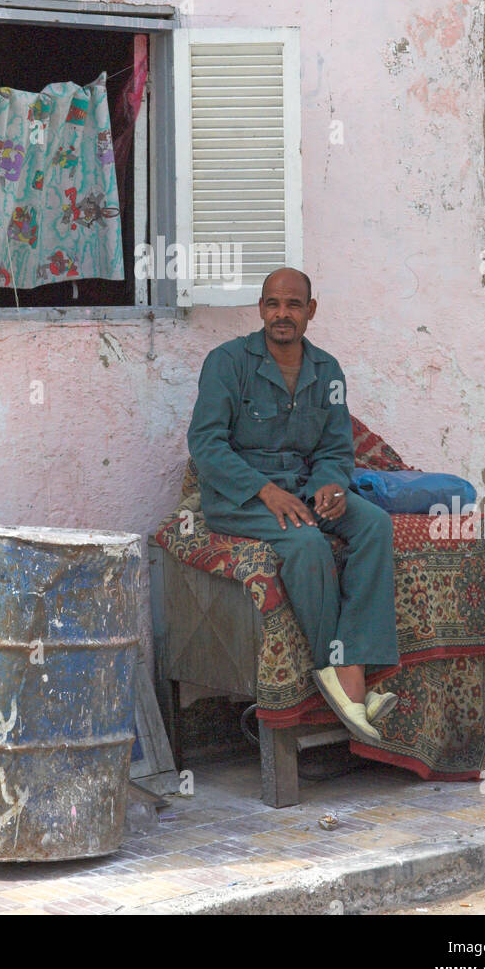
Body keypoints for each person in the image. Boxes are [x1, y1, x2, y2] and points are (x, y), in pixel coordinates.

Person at [186, 267, 399, 743]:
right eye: (273, 304)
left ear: (311, 311)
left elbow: (335, 450)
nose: (282, 314)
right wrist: (264, 490)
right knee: (307, 544)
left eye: (294, 305)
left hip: (303, 487)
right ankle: (344, 677)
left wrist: (328, 485)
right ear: (261, 309)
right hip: (239, 496)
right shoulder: (227, 362)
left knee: (375, 525)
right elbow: (205, 443)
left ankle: (349, 678)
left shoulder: (328, 372)